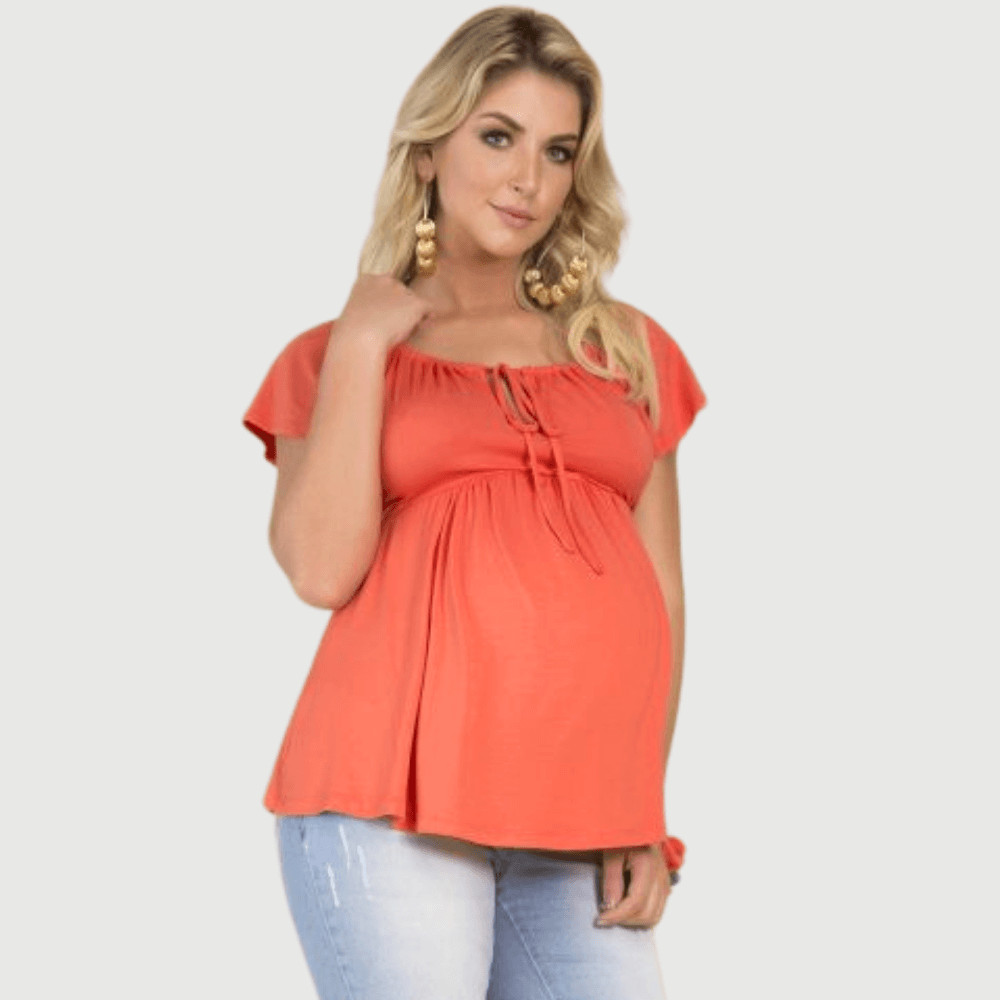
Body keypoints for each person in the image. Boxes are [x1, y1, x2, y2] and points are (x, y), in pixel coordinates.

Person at [242, 7, 707, 998]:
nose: (527, 177)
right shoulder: (331, 357)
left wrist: (642, 806)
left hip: (581, 817)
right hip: (387, 801)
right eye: (497, 136)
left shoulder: (624, 352)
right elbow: (320, 570)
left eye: (557, 151)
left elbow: (662, 597)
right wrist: (363, 343)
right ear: (428, 151)